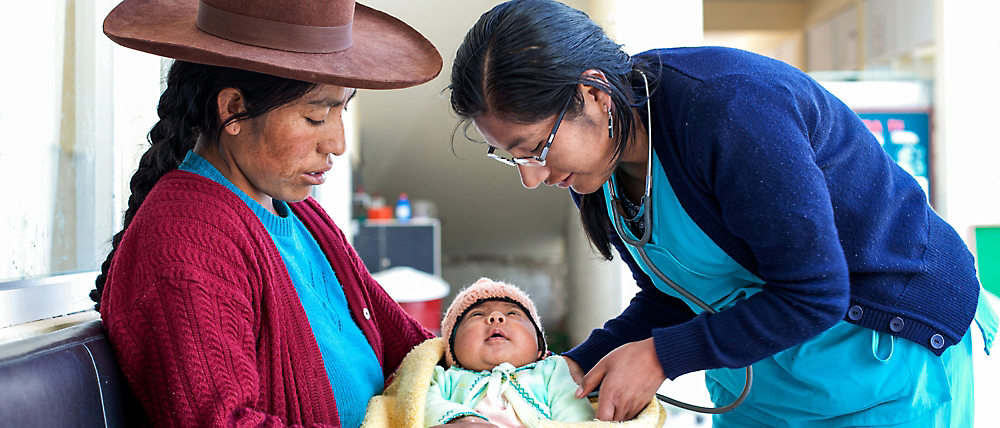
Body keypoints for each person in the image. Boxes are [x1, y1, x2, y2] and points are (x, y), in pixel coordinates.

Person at [447, 0, 998, 426]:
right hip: (765, 376)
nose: (531, 176)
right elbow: (671, 294)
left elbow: (815, 291)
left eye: (535, 148)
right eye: (511, 157)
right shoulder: (594, 164)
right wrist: (581, 363)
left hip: (883, 359)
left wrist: (662, 357)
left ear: (593, 95)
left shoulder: (730, 112)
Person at [90, 0, 442, 426]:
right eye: (315, 117)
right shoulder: (184, 243)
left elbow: (412, 349)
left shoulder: (301, 218)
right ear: (234, 109)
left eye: (341, 108)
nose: (337, 143)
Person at [425, 278, 596, 427]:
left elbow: (575, 412)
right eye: (476, 314)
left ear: (539, 347)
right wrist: (460, 419)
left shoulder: (551, 372)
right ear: (451, 349)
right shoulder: (445, 379)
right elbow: (423, 405)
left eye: (513, 313)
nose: (496, 317)